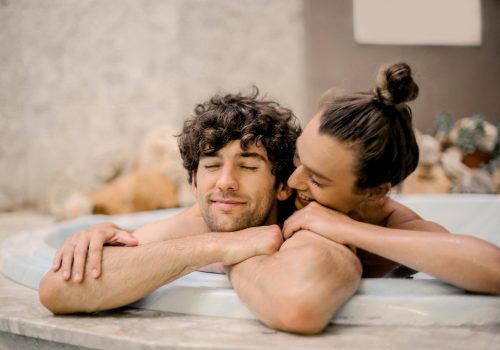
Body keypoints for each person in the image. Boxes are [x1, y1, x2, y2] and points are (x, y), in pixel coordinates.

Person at [39, 89, 362, 335]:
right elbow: (57, 291)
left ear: (283, 186)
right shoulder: (189, 227)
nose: (226, 183)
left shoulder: (308, 224)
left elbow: (298, 307)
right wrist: (219, 246)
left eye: (248, 166)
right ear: (193, 183)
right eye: (211, 166)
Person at [282, 62, 500, 294]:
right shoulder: (283, 190)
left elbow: (494, 270)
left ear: (374, 191)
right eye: (298, 157)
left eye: (317, 179)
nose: (293, 181)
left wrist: (346, 229)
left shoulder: (401, 226)